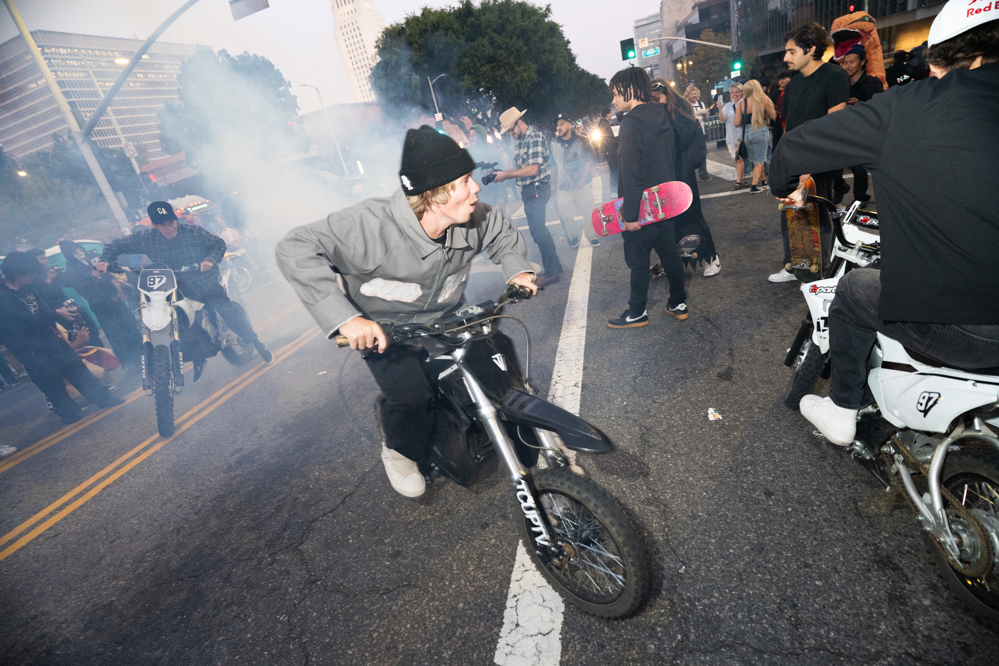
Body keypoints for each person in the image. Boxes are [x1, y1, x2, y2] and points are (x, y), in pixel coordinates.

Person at [770, 3, 999, 445]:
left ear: (957, 57)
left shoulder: (907, 108)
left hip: (968, 327)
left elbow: (794, 148)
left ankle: (841, 409)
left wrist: (782, 183)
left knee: (854, 292)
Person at [276, 127, 538, 498]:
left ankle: (519, 429)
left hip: (449, 317)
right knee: (412, 396)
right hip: (387, 332)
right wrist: (348, 320)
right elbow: (294, 247)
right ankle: (399, 451)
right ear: (434, 194)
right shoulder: (369, 225)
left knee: (496, 359)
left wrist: (518, 269)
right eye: (465, 181)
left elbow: (501, 234)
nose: (476, 188)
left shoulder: (474, 216)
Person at [98, 202, 272, 378]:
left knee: (226, 310)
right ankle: (198, 353)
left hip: (203, 280)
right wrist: (105, 260)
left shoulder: (193, 231)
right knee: (172, 315)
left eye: (171, 222)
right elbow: (114, 245)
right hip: (173, 285)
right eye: (163, 224)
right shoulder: (145, 237)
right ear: (154, 225)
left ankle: (256, 342)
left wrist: (210, 260)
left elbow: (218, 244)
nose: (169, 227)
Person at [605, 68, 688, 329]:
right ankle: (678, 302)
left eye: (617, 94)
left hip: (641, 208)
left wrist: (630, 216)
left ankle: (637, 312)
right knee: (670, 255)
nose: (614, 100)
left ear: (630, 90)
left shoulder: (631, 123)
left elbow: (632, 174)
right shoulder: (663, 115)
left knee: (638, 262)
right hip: (664, 205)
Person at [768, 22, 850, 284]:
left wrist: (810, 165)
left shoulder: (834, 76)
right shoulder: (792, 86)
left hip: (819, 161)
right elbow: (790, 126)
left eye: (791, 51)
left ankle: (819, 272)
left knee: (817, 216)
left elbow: (834, 123)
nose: (785, 57)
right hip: (793, 160)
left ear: (811, 48)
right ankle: (794, 266)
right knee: (791, 214)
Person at [0, 252, 123, 423]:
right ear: (16, 272)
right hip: (29, 347)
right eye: (29, 273)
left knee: (75, 366)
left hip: (48, 337)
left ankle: (102, 398)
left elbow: (43, 308)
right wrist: (56, 313)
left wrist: (60, 318)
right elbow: (24, 321)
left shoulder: (30, 286)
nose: (32, 276)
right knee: (49, 380)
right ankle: (68, 412)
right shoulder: (3, 296)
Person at [649, 79, 722, 277]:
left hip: (682, 171)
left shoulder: (680, 107)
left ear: (666, 93)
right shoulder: (655, 110)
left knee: (691, 216)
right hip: (663, 172)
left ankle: (711, 257)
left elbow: (684, 135)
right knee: (667, 221)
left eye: (657, 98)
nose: (654, 102)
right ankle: (670, 260)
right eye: (651, 100)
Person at [490, 108, 562, 287]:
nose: (511, 134)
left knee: (538, 231)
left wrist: (506, 176)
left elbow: (532, 169)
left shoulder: (534, 137)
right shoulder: (521, 141)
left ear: (519, 121)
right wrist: (503, 173)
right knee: (539, 231)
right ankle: (554, 266)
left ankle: (552, 272)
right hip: (529, 190)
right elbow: (518, 166)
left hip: (538, 188)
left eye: (511, 130)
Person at [60, 239, 142, 371]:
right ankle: (130, 361)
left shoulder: (91, 261)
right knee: (116, 333)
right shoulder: (72, 271)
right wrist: (93, 277)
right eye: (76, 252)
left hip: (115, 300)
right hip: (102, 307)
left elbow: (108, 276)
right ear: (70, 255)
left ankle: (143, 354)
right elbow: (83, 290)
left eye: (81, 250)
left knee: (130, 325)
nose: (81, 253)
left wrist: (120, 286)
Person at [839, 43, 885, 204]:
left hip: (862, 130)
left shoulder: (872, 83)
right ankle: (840, 186)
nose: (848, 66)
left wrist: (858, 103)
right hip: (844, 128)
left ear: (862, 62)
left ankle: (860, 198)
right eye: (845, 62)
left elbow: (880, 106)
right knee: (834, 159)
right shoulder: (841, 83)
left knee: (858, 166)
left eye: (852, 62)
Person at [551, 112, 601, 248]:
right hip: (563, 185)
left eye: (562, 124)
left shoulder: (583, 140)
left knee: (589, 210)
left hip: (582, 183)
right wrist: (553, 184)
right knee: (563, 210)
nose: (559, 127)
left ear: (570, 125)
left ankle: (591, 235)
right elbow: (553, 166)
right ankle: (574, 234)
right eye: (557, 125)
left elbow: (589, 161)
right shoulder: (553, 144)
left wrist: (583, 179)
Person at [734, 80, 776, 194]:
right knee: (760, 161)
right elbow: (773, 115)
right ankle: (754, 187)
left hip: (746, 133)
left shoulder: (741, 104)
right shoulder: (762, 99)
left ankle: (763, 181)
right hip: (759, 130)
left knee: (756, 160)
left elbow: (736, 123)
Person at [716, 84, 747, 189]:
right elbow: (722, 119)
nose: (734, 94)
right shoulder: (728, 106)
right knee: (736, 158)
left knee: (740, 158)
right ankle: (742, 179)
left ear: (741, 92)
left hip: (743, 135)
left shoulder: (745, 104)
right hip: (732, 136)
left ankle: (738, 181)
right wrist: (720, 109)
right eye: (732, 92)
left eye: (737, 92)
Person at [684, 85, 712, 182]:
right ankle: (691, 175)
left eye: (695, 93)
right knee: (691, 154)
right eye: (691, 94)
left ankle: (703, 174)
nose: (694, 95)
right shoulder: (686, 104)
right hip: (691, 132)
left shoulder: (701, 103)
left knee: (702, 153)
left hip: (701, 131)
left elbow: (705, 117)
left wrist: (704, 116)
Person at [596, 107, 618, 198]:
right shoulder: (605, 124)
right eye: (610, 113)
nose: (611, 115)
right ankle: (614, 190)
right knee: (614, 171)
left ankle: (614, 190)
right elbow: (608, 139)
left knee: (614, 171)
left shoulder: (603, 124)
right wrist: (611, 150)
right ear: (607, 114)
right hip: (611, 152)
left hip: (609, 152)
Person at [771, 70, 794, 148]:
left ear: (789, 78)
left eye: (783, 79)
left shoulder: (794, 90)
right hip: (778, 122)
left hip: (791, 120)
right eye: (780, 80)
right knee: (777, 144)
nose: (781, 81)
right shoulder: (775, 93)